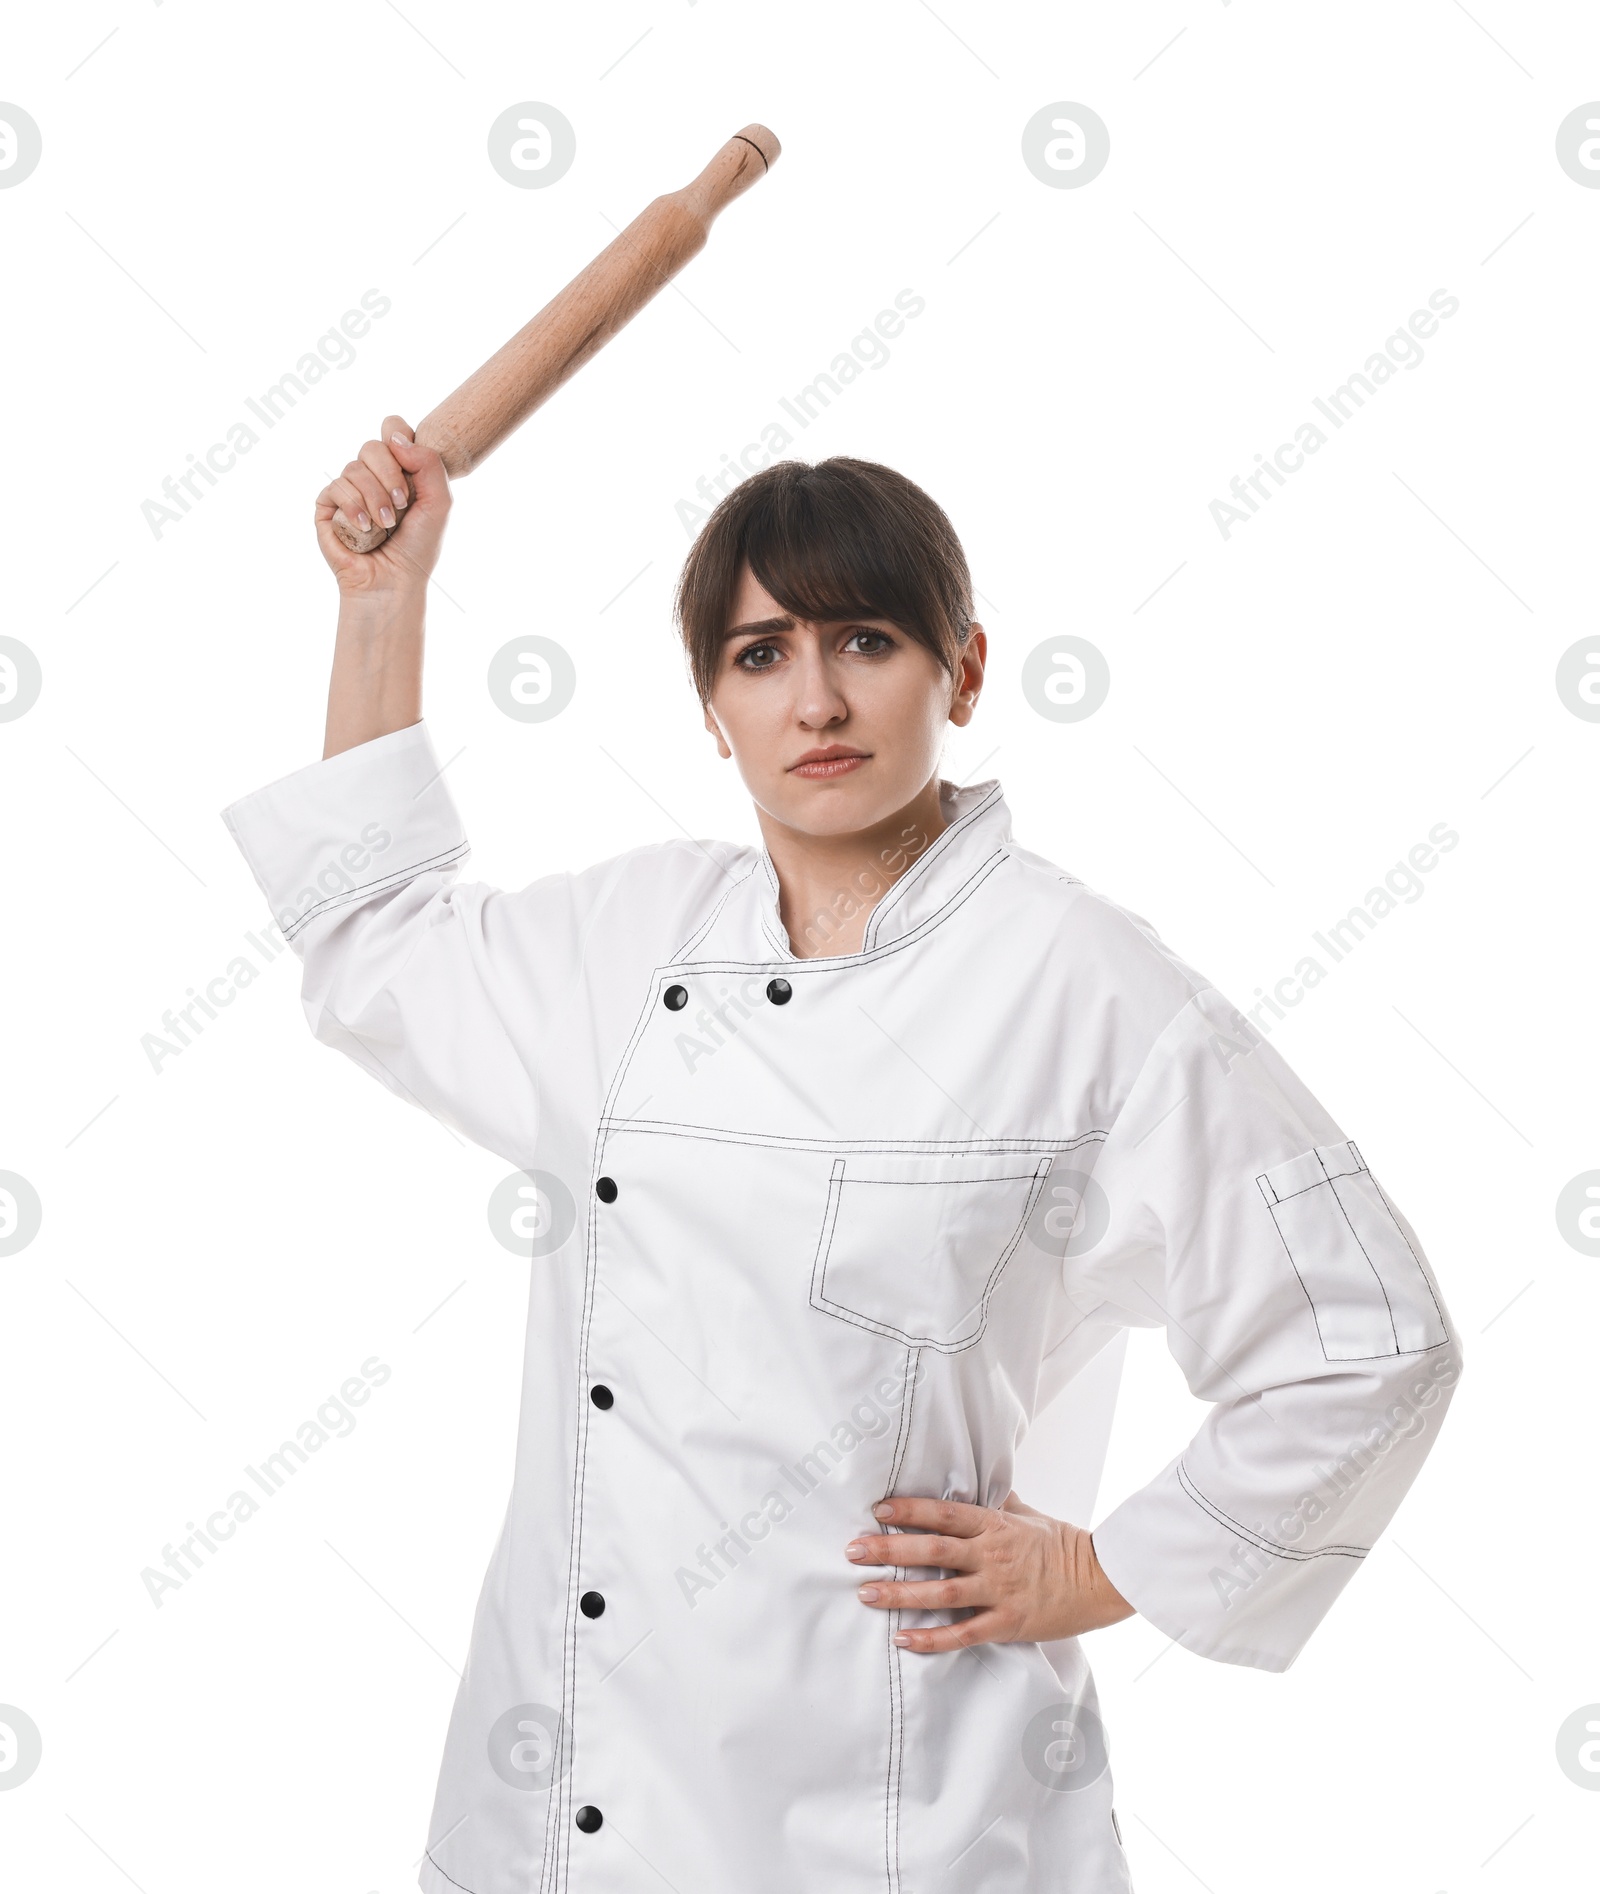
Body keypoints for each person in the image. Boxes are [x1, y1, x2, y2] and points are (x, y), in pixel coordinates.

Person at [221, 418, 1463, 1894]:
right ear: (709, 707)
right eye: (758, 654)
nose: (813, 696)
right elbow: (375, 945)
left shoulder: (1077, 979)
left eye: (864, 639)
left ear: (968, 669)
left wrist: (1098, 1567)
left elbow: (1371, 1339)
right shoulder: (629, 946)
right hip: (568, 1798)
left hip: (906, 1811)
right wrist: (382, 603)